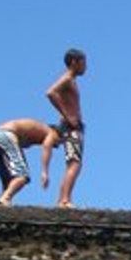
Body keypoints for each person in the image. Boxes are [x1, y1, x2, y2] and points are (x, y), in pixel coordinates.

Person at [0, 119, 62, 205]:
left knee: (8, 180)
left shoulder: (34, 134)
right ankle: (5, 198)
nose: (56, 146)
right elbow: (46, 149)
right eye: (58, 142)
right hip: (6, 135)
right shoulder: (50, 132)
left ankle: (1, 202)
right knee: (22, 176)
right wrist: (45, 172)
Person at [46, 48, 87, 207]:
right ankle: (64, 200)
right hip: (71, 127)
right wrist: (67, 115)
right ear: (74, 62)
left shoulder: (71, 80)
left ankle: (64, 199)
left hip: (73, 126)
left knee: (74, 163)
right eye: (83, 63)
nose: (85, 67)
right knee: (74, 163)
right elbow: (50, 92)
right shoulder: (67, 78)